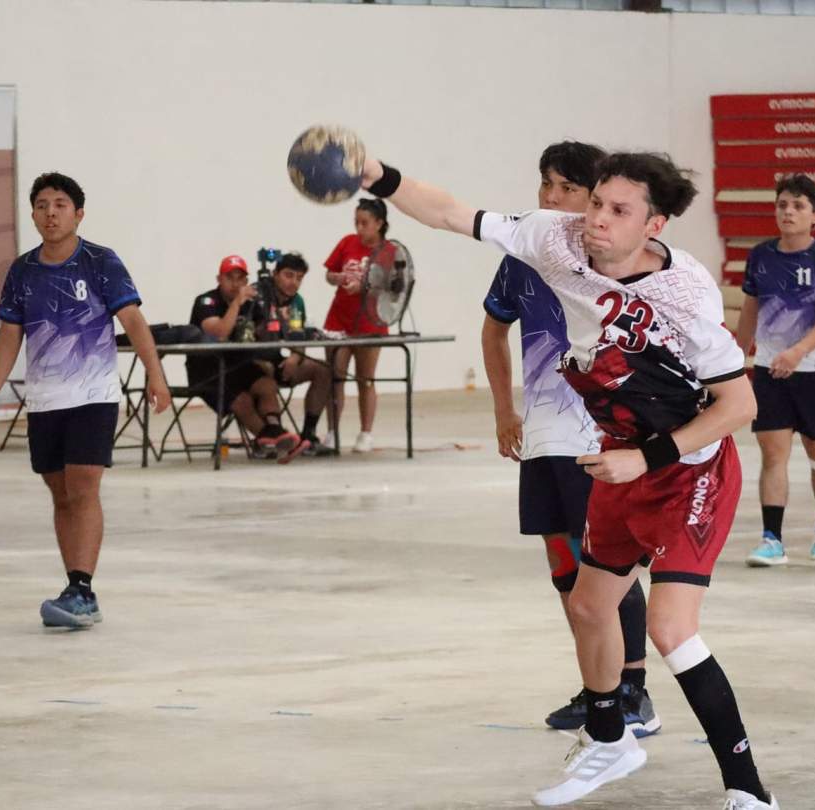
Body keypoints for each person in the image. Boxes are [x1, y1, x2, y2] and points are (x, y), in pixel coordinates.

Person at [353, 152, 777, 809]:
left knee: (670, 630)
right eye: (596, 202)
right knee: (588, 605)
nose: (597, 220)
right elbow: (446, 211)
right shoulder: (553, 234)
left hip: (690, 469)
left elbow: (738, 408)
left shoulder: (685, 293)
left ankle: (749, 791)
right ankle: (611, 743)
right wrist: (376, 174)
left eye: (618, 210)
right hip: (620, 454)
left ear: (655, 223)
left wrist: (650, 457)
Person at [481, 141, 657, 738]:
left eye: (566, 188)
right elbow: (493, 330)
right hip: (544, 436)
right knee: (565, 568)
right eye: (545, 186)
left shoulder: (617, 262)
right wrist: (506, 409)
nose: (551, 199)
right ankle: (598, 689)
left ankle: (634, 690)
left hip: (602, 439)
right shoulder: (523, 255)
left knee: (606, 567)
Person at [0, 172, 171, 629]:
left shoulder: (101, 262)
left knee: (83, 486)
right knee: (60, 493)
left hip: (93, 395)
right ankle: (73, 584)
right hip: (45, 400)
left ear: (78, 213)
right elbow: (8, 336)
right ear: (32, 214)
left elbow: (134, 322)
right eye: (42, 204)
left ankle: (83, 589)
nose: (51, 212)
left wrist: (156, 376)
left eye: (61, 204)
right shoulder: (22, 271)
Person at [732, 175, 815, 567]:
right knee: (772, 455)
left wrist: (797, 352)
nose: (788, 212)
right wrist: (734, 358)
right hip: (770, 371)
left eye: (798, 206)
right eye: (782, 204)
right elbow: (750, 311)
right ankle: (771, 539)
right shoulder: (761, 256)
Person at [187, 255, 306, 461]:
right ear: (219, 279)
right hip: (208, 371)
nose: (235, 284)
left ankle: (275, 435)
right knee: (242, 400)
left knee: (266, 384)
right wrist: (237, 303)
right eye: (230, 278)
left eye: (240, 279)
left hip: (239, 364)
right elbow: (221, 332)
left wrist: (281, 321)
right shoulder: (206, 302)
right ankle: (272, 440)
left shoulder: (252, 304)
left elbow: (265, 334)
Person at [323, 197, 390, 453]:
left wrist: (364, 286)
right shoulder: (347, 242)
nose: (359, 228)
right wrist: (337, 277)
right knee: (335, 377)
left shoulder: (389, 251)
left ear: (379, 223)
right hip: (339, 320)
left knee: (366, 379)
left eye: (365, 223)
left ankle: (366, 432)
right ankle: (332, 431)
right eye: (356, 222)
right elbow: (329, 273)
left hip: (371, 323)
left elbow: (392, 287)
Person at [253, 252, 335, 454]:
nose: (294, 282)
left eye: (299, 278)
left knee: (323, 370)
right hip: (252, 364)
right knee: (261, 374)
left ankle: (308, 435)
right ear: (275, 274)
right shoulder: (256, 295)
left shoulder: (297, 302)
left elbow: (298, 337)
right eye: (289, 275)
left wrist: (295, 357)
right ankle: (270, 435)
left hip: (279, 361)